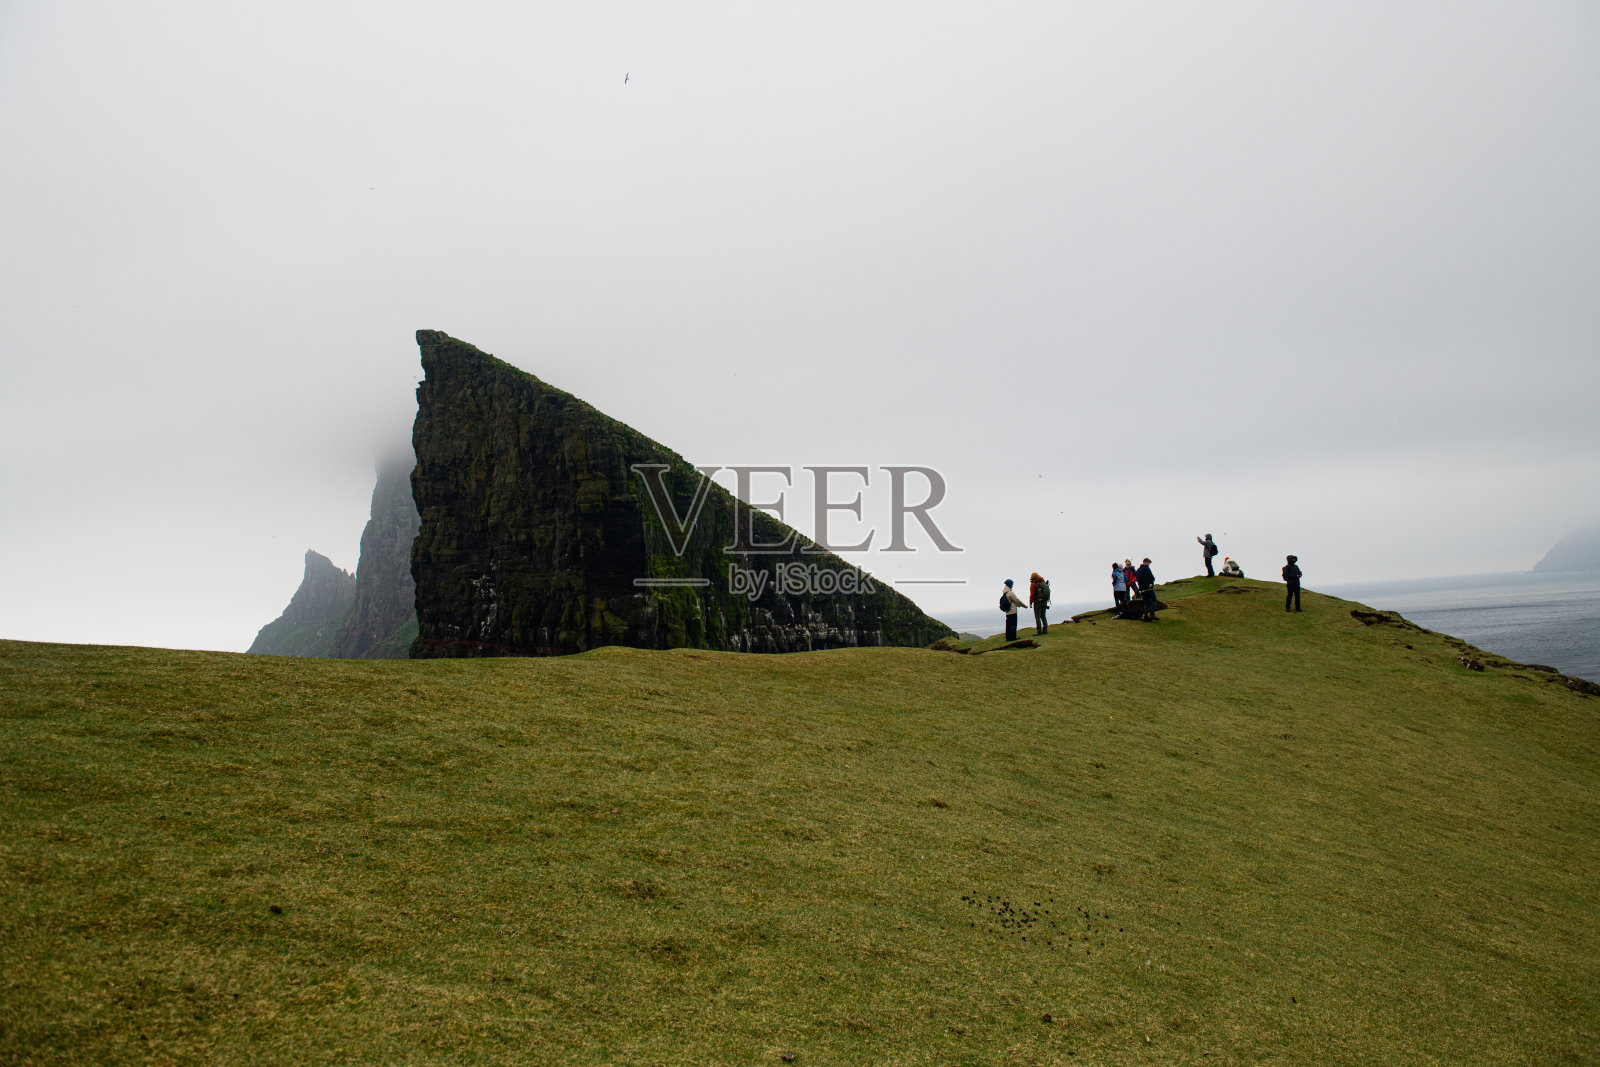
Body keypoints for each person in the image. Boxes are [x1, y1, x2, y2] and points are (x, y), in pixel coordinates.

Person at [1029, 571, 1051, 635]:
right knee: (1043, 615)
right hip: (1044, 601)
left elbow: (1032, 594)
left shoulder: (1033, 584)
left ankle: (1039, 631)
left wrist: (1030, 602)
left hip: (1037, 602)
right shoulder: (1043, 582)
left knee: (1037, 617)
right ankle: (1045, 629)